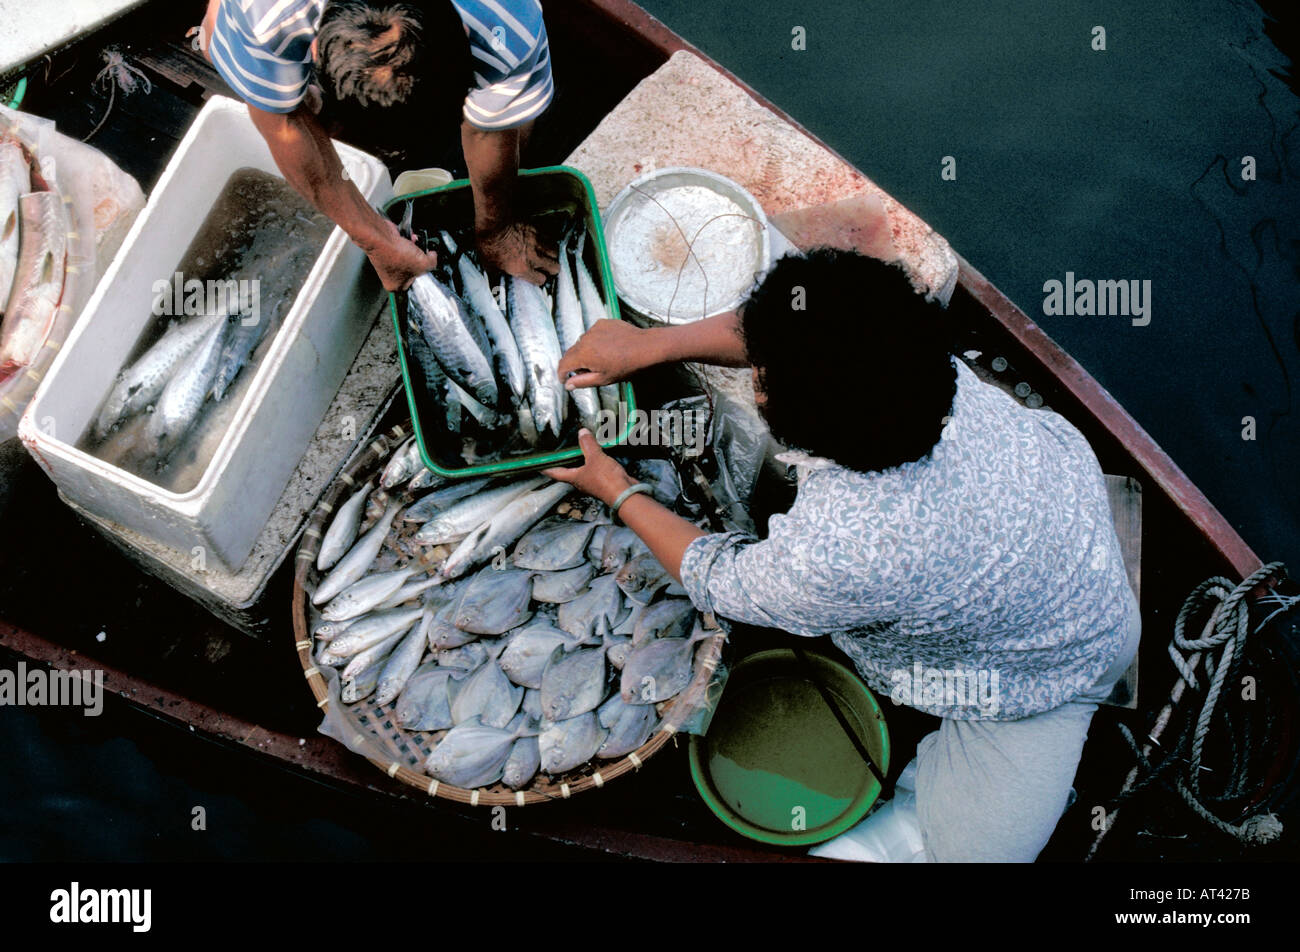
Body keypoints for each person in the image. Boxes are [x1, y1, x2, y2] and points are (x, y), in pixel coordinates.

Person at [545, 248, 1141, 862]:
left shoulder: (845, 547)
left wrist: (616, 489)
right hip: (1081, 577)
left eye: (761, 375)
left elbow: (717, 577)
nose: (754, 369)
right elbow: (795, 327)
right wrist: (650, 345)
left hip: (1041, 680)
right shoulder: (921, 368)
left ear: (792, 419)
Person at [198, 0, 559, 291]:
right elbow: (284, 124)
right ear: (315, 47)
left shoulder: (507, 21)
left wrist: (497, 227)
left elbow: (492, 128)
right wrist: (373, 239)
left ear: (463, 33)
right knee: (222, 42)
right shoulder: (264, 12)